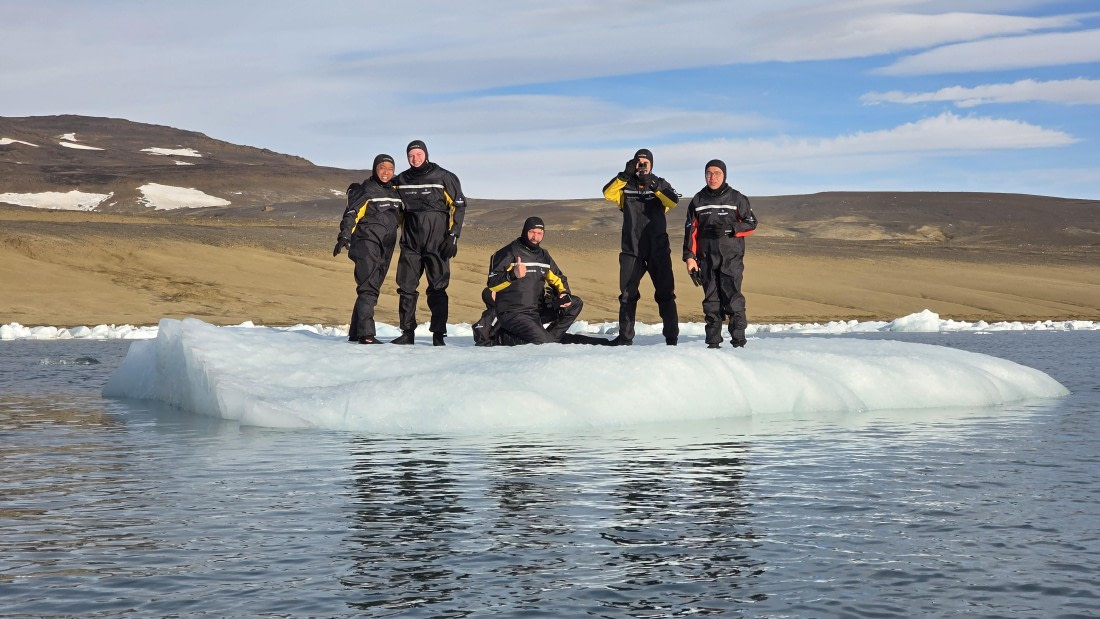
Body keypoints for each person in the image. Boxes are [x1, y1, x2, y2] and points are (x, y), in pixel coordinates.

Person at [484, 217, 614, 346]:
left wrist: (564, 293)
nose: (535, 237)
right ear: (524, 231)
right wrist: (513, 274)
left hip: (536, 312)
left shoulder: (543, 255)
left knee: (574, 303)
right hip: (513, 314)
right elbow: (492, 285)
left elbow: (558, 277)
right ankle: (502, 338)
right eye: (532, 232)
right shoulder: (506, 253)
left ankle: (549, 338)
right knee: (546, 344)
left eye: (539, 233)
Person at [390, 140, 468, 346]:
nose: (415, 159)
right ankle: (407, 332)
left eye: (418, 154)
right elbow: (385, 199)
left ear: (426, 154)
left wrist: (453, 236)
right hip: (411, 244)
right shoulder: (401, 180)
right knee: (406, 288)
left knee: (438, 289)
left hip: (438, 244)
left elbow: (459, 207)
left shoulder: (444, 177)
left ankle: (438, 334)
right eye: (410, 155)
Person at [601, 148, 681, 346]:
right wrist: (624, 175)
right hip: (631, 250)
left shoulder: (660, 183)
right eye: (639, 162)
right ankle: (625, 339)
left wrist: (652, 184)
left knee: (665, 294)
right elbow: (607, 193)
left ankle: (672, 339)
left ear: (652, 164)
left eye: (646, 162)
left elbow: (673, 200)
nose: (642, 165)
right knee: (627, 295)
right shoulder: (625, 186)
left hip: (658, 249)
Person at [682, 159, 758, 349]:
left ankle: (739, 343)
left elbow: (751, 223)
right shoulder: (698, 200)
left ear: (724, 175)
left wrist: (731, 228)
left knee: (733, 300)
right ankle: (713, 344)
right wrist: (689, 257)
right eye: (709, 173)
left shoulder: (736, 198)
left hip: (730, 259)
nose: (712, 177)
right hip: (706, 260)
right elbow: (690, 231)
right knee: (711, 302)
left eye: (717, 173)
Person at [333, 154, 404, 344]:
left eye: (390, 168)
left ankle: (356, 332)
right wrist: (345, 234)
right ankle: (366, 335)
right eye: (382, 168)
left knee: (372, 287)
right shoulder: (366, 190)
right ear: (375, 169)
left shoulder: (396, 193)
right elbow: (352, 213)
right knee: (368, 288)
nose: (386, 172)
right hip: (366, 244)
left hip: (386, 246)